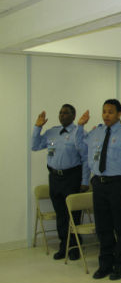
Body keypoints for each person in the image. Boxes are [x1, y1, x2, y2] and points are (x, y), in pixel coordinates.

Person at [77, 99, 121, 280]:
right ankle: (105, 263)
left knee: (120, 227)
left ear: (119, 114)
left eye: (110, 112)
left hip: (119, 185)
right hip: (99, 184)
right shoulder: (96, 132)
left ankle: (120, 264)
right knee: (102, 227)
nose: (106, 115)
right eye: (104, 111)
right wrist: (80, 126)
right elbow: (81, 146)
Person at [31, 104, 89, 261]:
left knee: (73, 215)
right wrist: (38, 127)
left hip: (72, 177)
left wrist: (84, 180)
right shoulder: (52, 132)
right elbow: (35, 146)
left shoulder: (79, 132)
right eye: (60, 112)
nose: (62, 115)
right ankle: (64, 245)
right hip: (55, 178)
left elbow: (85, 158)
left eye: (66, 113)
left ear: (73, 115)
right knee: (61, 215)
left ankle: (75, 246)